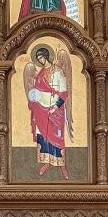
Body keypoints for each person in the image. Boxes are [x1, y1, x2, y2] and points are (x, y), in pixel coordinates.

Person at [24, 46, 72, 179]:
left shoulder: (58, 71)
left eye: (41, 57)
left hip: (55, 110)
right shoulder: (40, 73)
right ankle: (46, 162)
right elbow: (37, 89)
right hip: (41, 109)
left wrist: (56, 107)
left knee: (57, 137)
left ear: (46, 56)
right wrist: (33, 97)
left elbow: (64, 93)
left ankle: (62, 165)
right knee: (43, 136)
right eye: (38, 58)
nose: (40, 60)